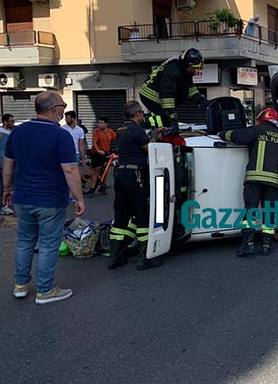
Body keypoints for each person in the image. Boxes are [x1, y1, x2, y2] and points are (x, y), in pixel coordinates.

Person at [2, 91, 85, 304]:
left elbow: (8, 164)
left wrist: (7, 189)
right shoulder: (60, 135)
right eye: (63, 108)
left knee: (24, 241)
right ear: (55, 110)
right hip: (50, 199)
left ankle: (20, 286)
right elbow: (70, 170)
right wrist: (79, 198)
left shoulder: (17, 133)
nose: (63, 112)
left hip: (23, 198)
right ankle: (45, 290)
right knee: (48, 244)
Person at [219, 108, 278, 257]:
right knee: (270, 213)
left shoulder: (257, 130)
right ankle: (266, 245)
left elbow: (237, 136)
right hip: (273, 182)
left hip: (254, 179)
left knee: (250, 210)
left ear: (261, 119)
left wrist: (222, 133)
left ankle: (248, 243)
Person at [108, 100, 162, 271]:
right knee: (142, 213)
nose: (142, 117)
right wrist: (153, 136)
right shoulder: (135, 128)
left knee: (121, 216)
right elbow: (150, 149)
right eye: (141, 114)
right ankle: (144, 257)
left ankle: (115, 257)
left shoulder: (120, 129)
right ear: (137, 113)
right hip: (135, 175)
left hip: (121, 175)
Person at [139, 48, 208, 136]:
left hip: (160, 94)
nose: (196, 71)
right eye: (194, 68)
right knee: (166, 121)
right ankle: (144, 122)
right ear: (187, 64)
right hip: (150, 95)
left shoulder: (184, 70)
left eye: (198, 69)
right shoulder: (172, 72)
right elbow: (167, 97)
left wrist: (203, 101)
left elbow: (189, 88)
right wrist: (173, 119)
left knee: (168, 120)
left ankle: (150, 119)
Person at [87, 116, 116, 196]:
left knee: (105, 169)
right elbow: (94, 143)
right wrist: (99, 150)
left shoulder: (110, 132)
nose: (99, 124)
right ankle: (92, 188)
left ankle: (102, 186)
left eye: (101, 123)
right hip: (96, 153)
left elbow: (116, 137)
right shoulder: (96, 132)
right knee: (97, 169)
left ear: (106, 124)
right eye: (99, 123)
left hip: (105, 153)